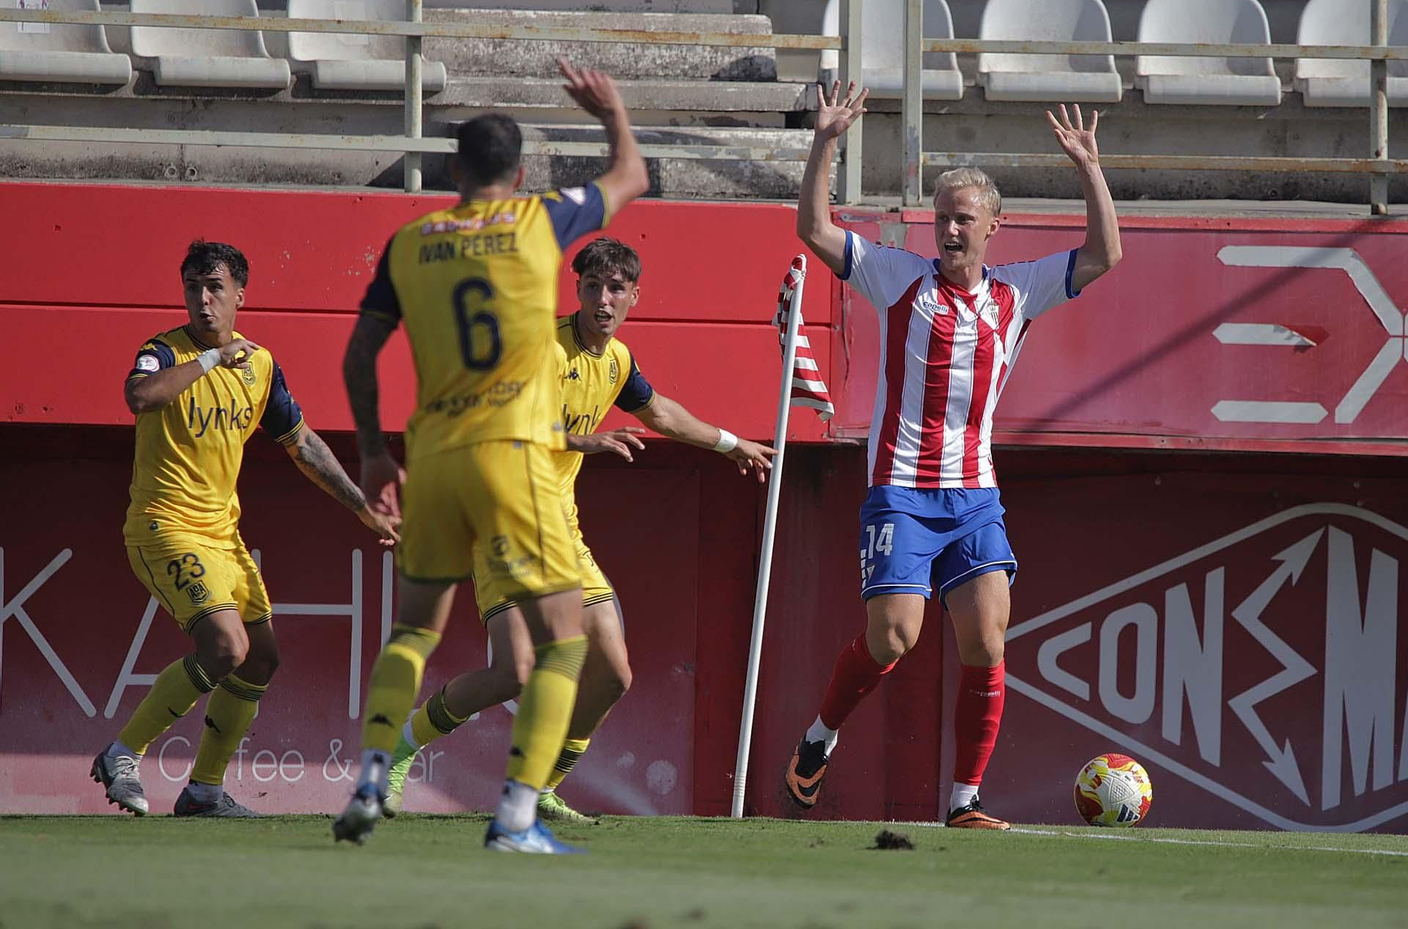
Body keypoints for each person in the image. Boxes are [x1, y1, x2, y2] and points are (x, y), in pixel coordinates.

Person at [782, 84, 1122, 829]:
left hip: (974, 496)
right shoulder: (897, 274)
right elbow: (813, 226)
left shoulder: (1017, 293)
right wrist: (826, 140)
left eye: (964, 219)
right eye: (942, 218)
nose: (949, 230)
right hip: (900, 490)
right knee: (894, 637)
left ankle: (965, 800)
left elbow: (1105, 253)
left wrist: (1089, 169)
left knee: (987, 634)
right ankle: (818, 738)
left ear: (995, 226)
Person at [334, 60, 649, 853]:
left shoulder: (411, 240)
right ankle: (516, 814)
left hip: (433, 456)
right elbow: (633, 174)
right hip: (511, 456)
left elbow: (359, 353)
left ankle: (373, 772)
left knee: (412, 631)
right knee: (564, 644)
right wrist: (611, 111)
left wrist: (375, 454)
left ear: (452, 171)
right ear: (517, 174)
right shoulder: (539, 220)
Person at [382, 237, 776, 823]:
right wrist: (578, 440)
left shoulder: (617, 362)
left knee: (614, 672)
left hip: (561, 532)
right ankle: (398, 750)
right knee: (510, 674)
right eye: (592, 286)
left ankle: (539, 784)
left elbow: (661, 413)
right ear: (578, 291)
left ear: (634, 297)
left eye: (616, 288)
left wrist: (730, 443)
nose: (603, 299)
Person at [91, 240, 400, 818]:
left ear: (240, 295)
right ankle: (122, 752)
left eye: (214, 288)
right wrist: (208, 361)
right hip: (164, 527)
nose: (203, 300)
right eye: (192, 287)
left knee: (259, 658)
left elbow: (302, 443)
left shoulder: (260, 365)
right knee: (226, 646)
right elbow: (138, 396)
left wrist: (362, 507)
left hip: (222, 537)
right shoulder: (162, 352)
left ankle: (204, 790)